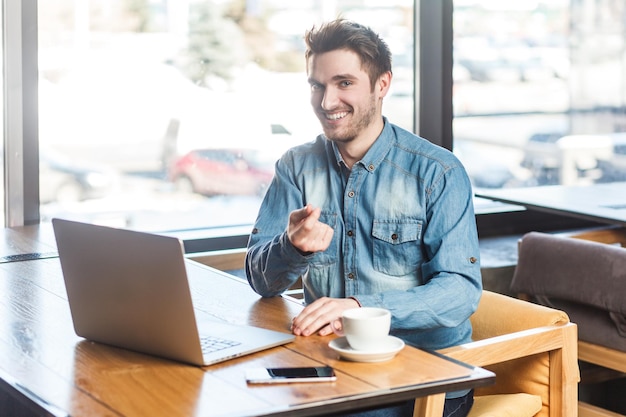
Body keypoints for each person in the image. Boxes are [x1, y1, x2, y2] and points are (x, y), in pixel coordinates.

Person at [245, 19, 482, 417]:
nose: (326, 102)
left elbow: (460, 291)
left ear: (382, 84)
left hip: (424, 380)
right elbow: (260, 281)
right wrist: (291, 248)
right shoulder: (295, 167)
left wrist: (357, 308)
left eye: (343, 83)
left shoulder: (438, 172)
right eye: (317, 86)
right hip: (329, 368)